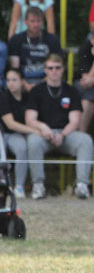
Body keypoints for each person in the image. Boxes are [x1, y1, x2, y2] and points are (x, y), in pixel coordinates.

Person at [24, 53, 94, 199]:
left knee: (85, 140)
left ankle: (82, 185)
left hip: (66, 134)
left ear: (63, 69)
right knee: (33, 141)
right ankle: (38, 185)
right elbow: (30, 119)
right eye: (50, 68)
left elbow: (75, 121)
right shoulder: (37, 91)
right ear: (45, 70)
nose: (54, 71)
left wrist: (62, 135)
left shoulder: (71, 91)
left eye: (57, 67)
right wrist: (43, 128)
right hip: (43, 134)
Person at [0, 67, 38, 197]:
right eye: (8, 80)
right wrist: (35, 131)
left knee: (22, 147)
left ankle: (19, 186)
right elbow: (10, 124)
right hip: (4, 134)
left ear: (22, 81)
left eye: (14, 80)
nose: (11, 83)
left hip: (20, 135)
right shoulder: (3, 96)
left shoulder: (29, 97)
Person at [8, 6, 63, 89]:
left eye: (38, 21)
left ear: (43, 22)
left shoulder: (52, 39)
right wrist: (25, 85)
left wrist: (41, 84)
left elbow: (57, 65)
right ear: (25, 22)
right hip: (22, 81)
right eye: (32, 21)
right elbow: (14, 68)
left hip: (47, 80)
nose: (36, 25)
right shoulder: (16, 40)